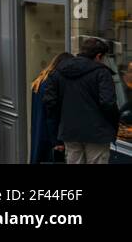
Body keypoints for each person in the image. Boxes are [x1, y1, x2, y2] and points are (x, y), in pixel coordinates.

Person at [45, 37, 119, 165]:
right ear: (98, 56)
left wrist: (60, 123)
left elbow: (50, 102)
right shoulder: (101, 73)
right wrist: (112, 125)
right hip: (97, 133)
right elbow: (108, 103)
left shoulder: (60, 71)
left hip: (69, 130)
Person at [28, 52, 72, 163]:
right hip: (49, 133)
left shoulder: (41, 79)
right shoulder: (52, 83)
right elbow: (52, 113)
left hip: (40, 130)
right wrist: (57, 141)